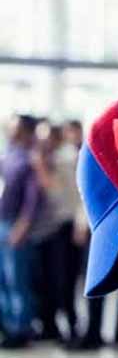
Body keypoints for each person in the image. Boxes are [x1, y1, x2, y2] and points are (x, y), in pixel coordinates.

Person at [30, 121, 82, 343]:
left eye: (46, 138)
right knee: (48, 280)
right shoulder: (48, 159)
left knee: (65, 280)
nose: (42, 143)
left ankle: (72, 328)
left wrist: (40, 167)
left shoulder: (65, 159)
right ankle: (51, 327)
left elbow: (58, 192)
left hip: (66, 227)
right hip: (48, 229)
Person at [0, 114, 45, 348]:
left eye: (15, 126)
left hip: (15, 225)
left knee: (16, 279)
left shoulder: (29, 159)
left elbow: (33, 199)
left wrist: (23, 226)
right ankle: (8, 327)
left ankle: (21, 329)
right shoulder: (5, 156)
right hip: (1, 222)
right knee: (2, 281)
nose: (11, 129)